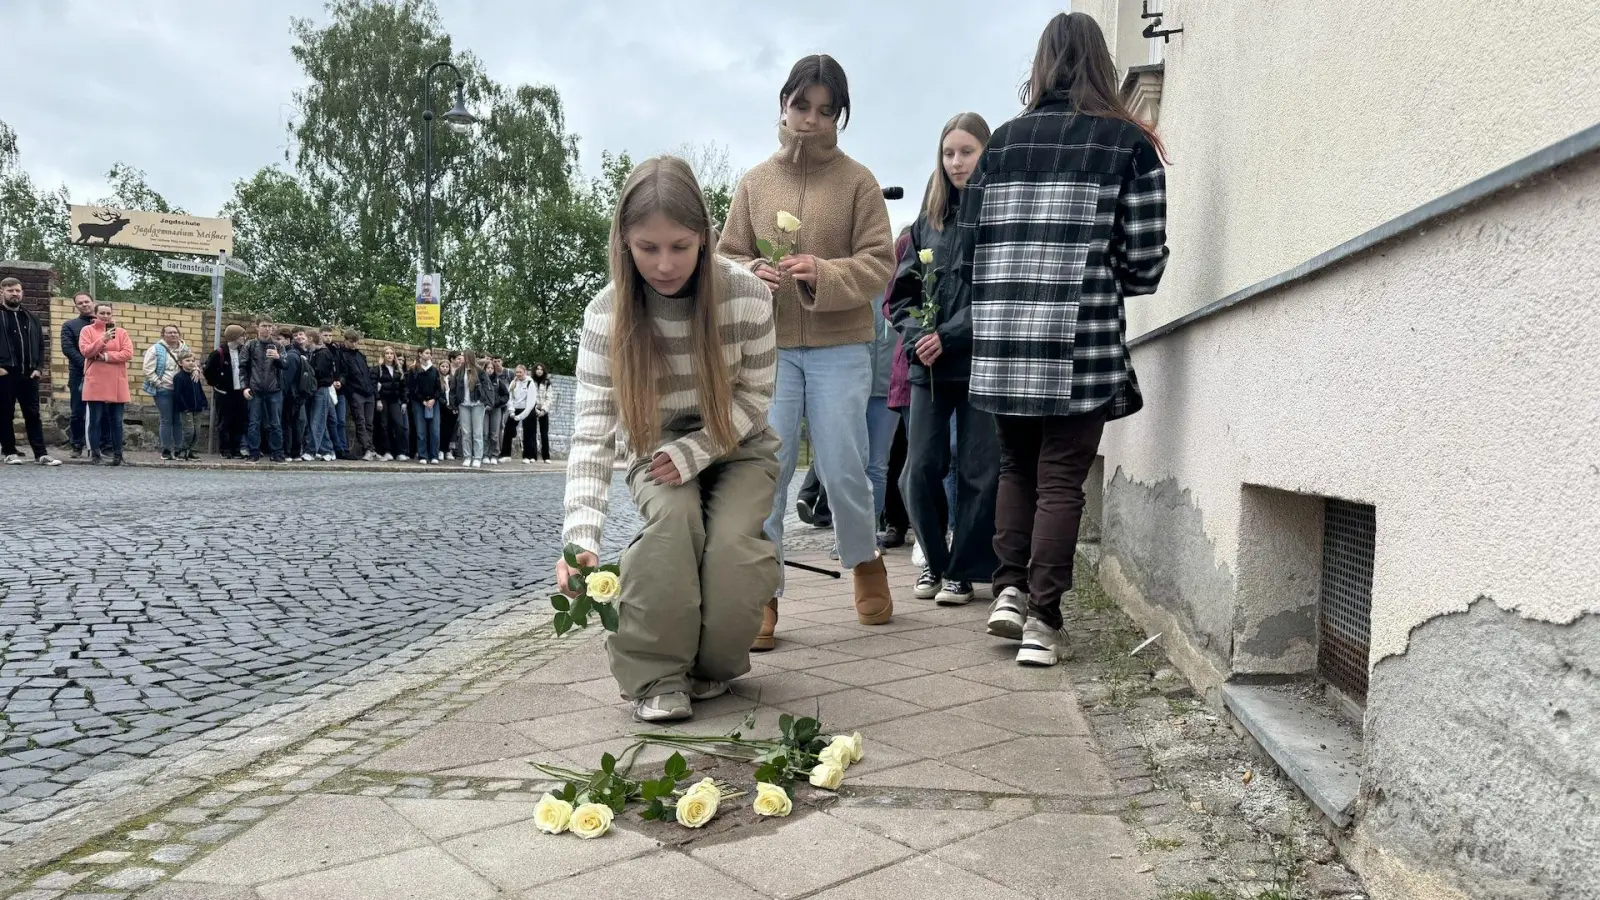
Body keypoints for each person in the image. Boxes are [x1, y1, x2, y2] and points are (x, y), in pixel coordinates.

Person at [964, 13, 1170, 666]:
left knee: (1016, 467)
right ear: (1103, 65)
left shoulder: (999, 145)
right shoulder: (1128, 144)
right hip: (1080, 340)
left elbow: (970, 249)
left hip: (1003, 343)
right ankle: (1043, 623)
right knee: (1061, 480)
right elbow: (1143, 264)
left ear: (1042, 65)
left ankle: (1007, 593)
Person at [559, 155, 778, 722]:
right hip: (653, 447)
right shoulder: (605, 315)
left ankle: (710, 666)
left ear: (705, 237)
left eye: (680, 246)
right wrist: (580, 539)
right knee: (674, 527)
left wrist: (696, 451)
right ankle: (656, 672)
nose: (664, 264)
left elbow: (755, 400)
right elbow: (592, 434)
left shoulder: (748, 296)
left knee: (730, 546)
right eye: (647, 247)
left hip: (739, 441)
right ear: (624, 242)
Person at [719, 54, 896, 649]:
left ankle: (865, 560)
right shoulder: (754, 183)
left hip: (840, 345)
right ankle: (762, 592)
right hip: (769, 350)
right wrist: (752, 273)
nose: (811, 120)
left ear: (840, 116)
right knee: (766, 472)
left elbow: (879, 263)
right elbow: (726, 257)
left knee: (845, 465)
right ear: (783, 104)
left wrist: (821, 270)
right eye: (802, 105)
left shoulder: (858, 182)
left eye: (826, 110)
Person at [889, 112, 1001, 608]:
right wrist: (919, 337)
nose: (956, 163)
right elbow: (901, 297)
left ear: (986, 153)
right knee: (920, 467)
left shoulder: (1000, 213)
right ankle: (934, 561)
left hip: (979, 362)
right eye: (948, 153)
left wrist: (950, 335)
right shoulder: (924, 222)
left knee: (981, 470)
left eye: (966, 151)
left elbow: (1002, 293)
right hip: (928, 369)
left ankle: (963, 570)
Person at [0, 277, 60, 466]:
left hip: (29, 374)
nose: (14, 294)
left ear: (22, 293)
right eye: (10, 290)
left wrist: (39, 368)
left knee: (33, 415)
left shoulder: (31, 317)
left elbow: (41, 346)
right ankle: (9, 452)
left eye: (17, 290)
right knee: (4, 414)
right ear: (2, 292)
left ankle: (41, 454)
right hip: (5, 373)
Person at [78, 301, 133, 466]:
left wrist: (106, 357)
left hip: (117, 380)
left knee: (116, 420)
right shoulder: (87, 330)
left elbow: (127, 353)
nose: (105, 316)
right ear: (95, 314)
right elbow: (86, 351)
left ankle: (118, 455)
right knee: (95, 419)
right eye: (102, 313)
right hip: (96, 379)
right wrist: (103, 339)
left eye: (108, 313)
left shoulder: (121, 332)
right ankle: (95, 455)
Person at [141, 324, 190, 461]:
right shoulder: (155, 349)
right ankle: (166, 449)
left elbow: (191, 363)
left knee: (178, 420)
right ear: (163, 335)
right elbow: (147, 369)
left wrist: (196, 370)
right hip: (163, 390)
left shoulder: (184, 349)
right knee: (166, 419)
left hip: (180, 391)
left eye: (175, 332)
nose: (173, 335)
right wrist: (158, 383)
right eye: (169, 333)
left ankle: (179, 449)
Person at [241, 319, 286, 463]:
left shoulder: (278, 345)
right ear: (257, 328)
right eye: (264, 326)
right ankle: (254, 452)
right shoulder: (250, 345)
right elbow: (242, 367)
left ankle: (277, 453)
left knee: (276, 423)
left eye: (269, 326)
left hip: (274, 389)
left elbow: (286, 365)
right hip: (255, 389)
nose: (267, 329)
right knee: (254, 422)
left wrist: (278, 358)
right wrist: (245, 387)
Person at [59, 291, 97, 457]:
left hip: (102, 375)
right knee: (77, 412)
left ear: (93, 302)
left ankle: (103, 445)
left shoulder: (105, 324)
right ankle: (76, 445)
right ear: (76, 306)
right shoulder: (69, 325)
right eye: (80, 303)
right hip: (78, 374)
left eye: (86, 301)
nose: (84, 304)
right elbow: (68, 349)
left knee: (102, 410)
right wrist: (87, 365)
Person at [203, 324, 249, 457]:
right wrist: (218, 384)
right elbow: (208, 371)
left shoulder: (243, 351)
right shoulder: (219, 353)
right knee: (225, 422)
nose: (244, 338)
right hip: (225, 393)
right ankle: (225, 450)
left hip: (240, 392)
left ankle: (236, 449)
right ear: (234, 337)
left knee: (239, 422)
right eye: (242, 335)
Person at [336, 328, 376, 460]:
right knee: (360, 422)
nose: (354, 344)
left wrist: (371, 388)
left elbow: (367, 373)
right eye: (352, 342)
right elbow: (345, 374)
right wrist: (351, 391)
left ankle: (370, 448)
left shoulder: (360, 355)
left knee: (369, 423)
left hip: (368, 392)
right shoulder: (342, 355)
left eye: (356, 342)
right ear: (346, 341)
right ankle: (367, 448)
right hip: (356, 393)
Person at [448, 350, 493, 467]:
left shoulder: (479, 371)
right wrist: (453, 403)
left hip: (477, 404)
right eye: (462, 356)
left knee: (477, 432)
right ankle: (467, 456)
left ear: (470, 358)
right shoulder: (459, 371)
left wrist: (485, 400)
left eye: (465, 356)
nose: (463, 359)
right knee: (466, 432)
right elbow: (453, 388)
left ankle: (477, 457)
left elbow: (487, 387)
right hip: (463, 404)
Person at [307, 329, 340, 461]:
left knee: (317, 421)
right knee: (320, 421)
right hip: (320, 390)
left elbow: (318, 372)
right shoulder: (317, 353)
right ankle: (328, 450)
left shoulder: (322, 354)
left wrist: (307, 367)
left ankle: (311, 451)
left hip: (321, 390)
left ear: (310, 339)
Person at [409, 347, 444, 464]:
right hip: (419, 403)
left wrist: (433, 399)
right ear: (420, 354)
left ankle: (434, 455)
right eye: (426, 353)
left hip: (433, 403)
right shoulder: (414, 370)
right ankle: (422, 455)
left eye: (430, 353)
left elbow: (439, 388)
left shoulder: (434, 370)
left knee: (435, 430)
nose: (429, 355)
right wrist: (422, 401)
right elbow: (412, 388)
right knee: (421, 430)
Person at [171, 351, 208, 461]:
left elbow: (199, 390)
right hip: (186, 409)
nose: (191, 363)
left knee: (197, 431)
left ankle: (191, 451)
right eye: (187, 361)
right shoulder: (179, 377)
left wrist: (203, 401)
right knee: (189, 431)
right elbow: (178, 394)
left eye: (193, 360)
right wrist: (184, 407)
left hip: (197, 408)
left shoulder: (195, 375)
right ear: (180, 363)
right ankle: (181, 451)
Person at [374, 346, 409, 461]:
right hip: (383, 399)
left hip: (394, 400)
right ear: (383, 355)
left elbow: (403, 388)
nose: (389, 355)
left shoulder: (398, 370)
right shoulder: (378, 369)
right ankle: (387, 451)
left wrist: (404, 401)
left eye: (391, 353)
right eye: (387, 353)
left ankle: (400, 452)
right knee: (384, 425)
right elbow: (374, 386)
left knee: (399, 425)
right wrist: (378, 399)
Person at [280, 327, 309, 462]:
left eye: (279, 339)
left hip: (291, 395)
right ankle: (296, 453)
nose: (277, 342)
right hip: (297, 394)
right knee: (296, 424)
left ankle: (289, 452)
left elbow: (288, 378)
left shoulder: (290, 355)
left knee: (288, 424)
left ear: (287, 340)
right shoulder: (295, 353)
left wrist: (282, 391)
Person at [502, 364, 536, 462]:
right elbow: (510, 398)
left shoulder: (530, 383)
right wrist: (511, 411)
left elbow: (531, 402)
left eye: (520, 372)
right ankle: (506, 455)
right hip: (515, 409)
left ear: (525, 372)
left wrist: (520, 416)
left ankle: (528, 456)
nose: (518, 374)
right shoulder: (513, 382)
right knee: (508, 430)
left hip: (527, 410)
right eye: (517, 372)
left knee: (528, 433)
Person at [483, 357, 509, 465]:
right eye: (487, 368)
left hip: (496, 409)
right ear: (484, 369)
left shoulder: (498, 381)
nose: (489, 370)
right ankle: (485, 454)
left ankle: (494, 454)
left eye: (491, 368)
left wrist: (497, 402)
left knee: (494, 433)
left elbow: (506, 395)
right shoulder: (481, 381)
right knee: (485, 432)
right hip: (484, 409)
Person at [530, 362, 556, 463]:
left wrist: (544, 410)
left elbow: (549, 398)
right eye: (537, 369)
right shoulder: (530, 381)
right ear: (534, 370)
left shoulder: (547, 382)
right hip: (533, 409)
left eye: (541, 369)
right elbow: (530, 396)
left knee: (544, 434)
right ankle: (532, 456)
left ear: (543, 371)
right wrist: (534, 409)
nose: (539, 371)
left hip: (544, 411)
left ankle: (546, 457)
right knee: (532, 433)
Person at [438, 352, 460, 460]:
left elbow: (455, 393)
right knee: (442, 429)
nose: (445, 368)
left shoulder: (453, 379)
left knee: (450, 431)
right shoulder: (437, 379)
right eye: (442, 366)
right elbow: (437, 393)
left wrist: (454, 406)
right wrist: (443, 403)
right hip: (442, 408)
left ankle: (447, 450)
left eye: (447, 366)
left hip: (452, 408)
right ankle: (440, 450)